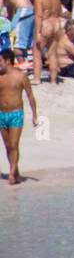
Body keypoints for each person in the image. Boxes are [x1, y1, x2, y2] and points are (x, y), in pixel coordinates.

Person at [0, 47, 39, 184]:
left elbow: (30, 96)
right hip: (1, 115)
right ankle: (15, 172)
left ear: (8, 61)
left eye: (0, 61)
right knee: (7, 146)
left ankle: (11, 174)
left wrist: (35, 115)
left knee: (14, 144)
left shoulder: (20, 76)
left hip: (16, 113)